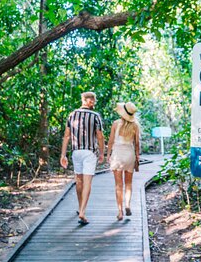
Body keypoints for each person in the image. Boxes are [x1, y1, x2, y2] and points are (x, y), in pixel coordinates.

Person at [60, 91, 104, 225]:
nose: (93, 103)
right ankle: (83, 212)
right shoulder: (95, 116)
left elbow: (66, 136)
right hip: (89, 152)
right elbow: (100, 136)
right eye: (93, 101)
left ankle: (80, 208)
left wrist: (63, 154)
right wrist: (102, 152)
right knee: (87, 182)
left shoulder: (72, 115)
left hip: (76, 151)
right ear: (88, 101)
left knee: (78, 181)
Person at [106, 101, 141, 221]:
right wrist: (137, 156)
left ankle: (120, 211)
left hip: (117, 155)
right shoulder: (135, 125)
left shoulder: (116, 123)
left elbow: (110, 141)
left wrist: (108, 154)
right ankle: (127, 205)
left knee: (118, 185)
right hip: (129, 155)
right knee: (129, 184)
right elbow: (136, 144)